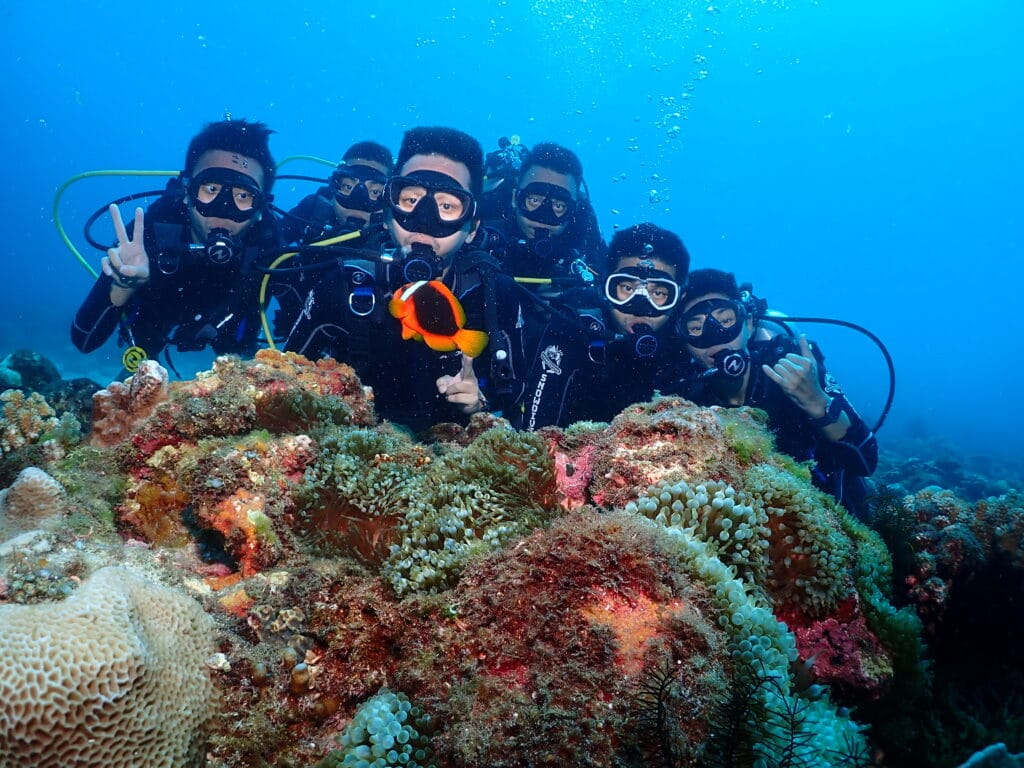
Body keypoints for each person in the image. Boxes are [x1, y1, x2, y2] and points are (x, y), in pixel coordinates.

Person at [282, 126, 525, 433]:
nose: (424, 220)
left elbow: (518, 399)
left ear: (472, 229)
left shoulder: (494, 295)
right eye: (411, 200)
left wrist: (479, 404)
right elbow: (282, 381)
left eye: (447, 206)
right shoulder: (343, 285)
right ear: (388, 212)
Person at [70, 119, 282, 372]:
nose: (223, 209)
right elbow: (84, 341)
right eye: (211, 188)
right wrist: (122, 286)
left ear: (260, 209)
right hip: (157, 319)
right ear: (186, 191)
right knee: (143, 364)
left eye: (243, 196)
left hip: (230, 329)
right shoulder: (150, 232)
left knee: (244, 365)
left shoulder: (270, 247)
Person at [672, 268, 878, 517]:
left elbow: (867, 461)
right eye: (695, 328)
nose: (716, 336)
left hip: (828, 514)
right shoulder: (683, 397)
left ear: (748, 323)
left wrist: (816, 401)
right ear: (683, 343)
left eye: (726, 321)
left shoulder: (794, 365)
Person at [513, 222, 689, 430]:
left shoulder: (688, 347)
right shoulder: (575, 328)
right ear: (606, 288)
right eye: (626, 287)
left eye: (658, 293)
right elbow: (536, 431)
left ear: (679, 299)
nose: (640, 307)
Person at [483, 142, 607, 298]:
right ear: (515, 198)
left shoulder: (583, 232)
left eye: (559, 206)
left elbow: (607, 280)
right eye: (534, 200)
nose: (544, 218)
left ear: (573, 211)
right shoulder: (487, 219)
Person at [279, 140, 393, 245]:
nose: (358, 202)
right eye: (348, 187)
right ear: (333, 190)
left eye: (375, 192)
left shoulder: (397, 235)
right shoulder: (314, 209)